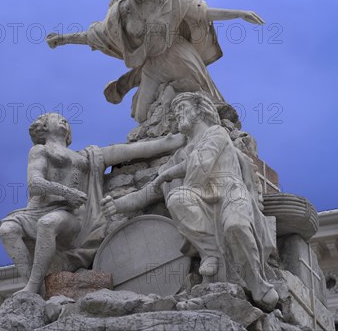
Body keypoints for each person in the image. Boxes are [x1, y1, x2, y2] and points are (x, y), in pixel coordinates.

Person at [102, 92, 279, 311]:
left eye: (182, 108)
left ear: (200, 110)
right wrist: (118, 205)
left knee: (236, 226)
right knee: (177, 198)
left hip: (231, 192)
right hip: (199, 194)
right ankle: (211, 253)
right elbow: (150, 191)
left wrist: (168, 175)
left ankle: (257, 283)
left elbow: (202, 162)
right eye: (175, 111)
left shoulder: (217, 133)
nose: (178, 115)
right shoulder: (180, 155)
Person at [46, 0, 264, 124]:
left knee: (202, 102)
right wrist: (63, 39)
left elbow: (203, 13)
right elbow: (96, 35)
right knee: (143, 116)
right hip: (153, 64)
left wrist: (239, 14)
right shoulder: (122, 12)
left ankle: (206, 134)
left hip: (179, 55)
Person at [0, 112, 184, 295]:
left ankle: (33, 286)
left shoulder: (88, 156)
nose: (63, 119)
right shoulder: (40, 151)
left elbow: (126, 151)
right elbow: (34, 184)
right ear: (44, 126)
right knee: (7, 230)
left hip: (68, 217)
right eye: (56, 117)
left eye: (66, 120)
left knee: (48, 223)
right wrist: (67, 192)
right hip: (36, 211)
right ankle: (33, 286)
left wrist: (169, 143)